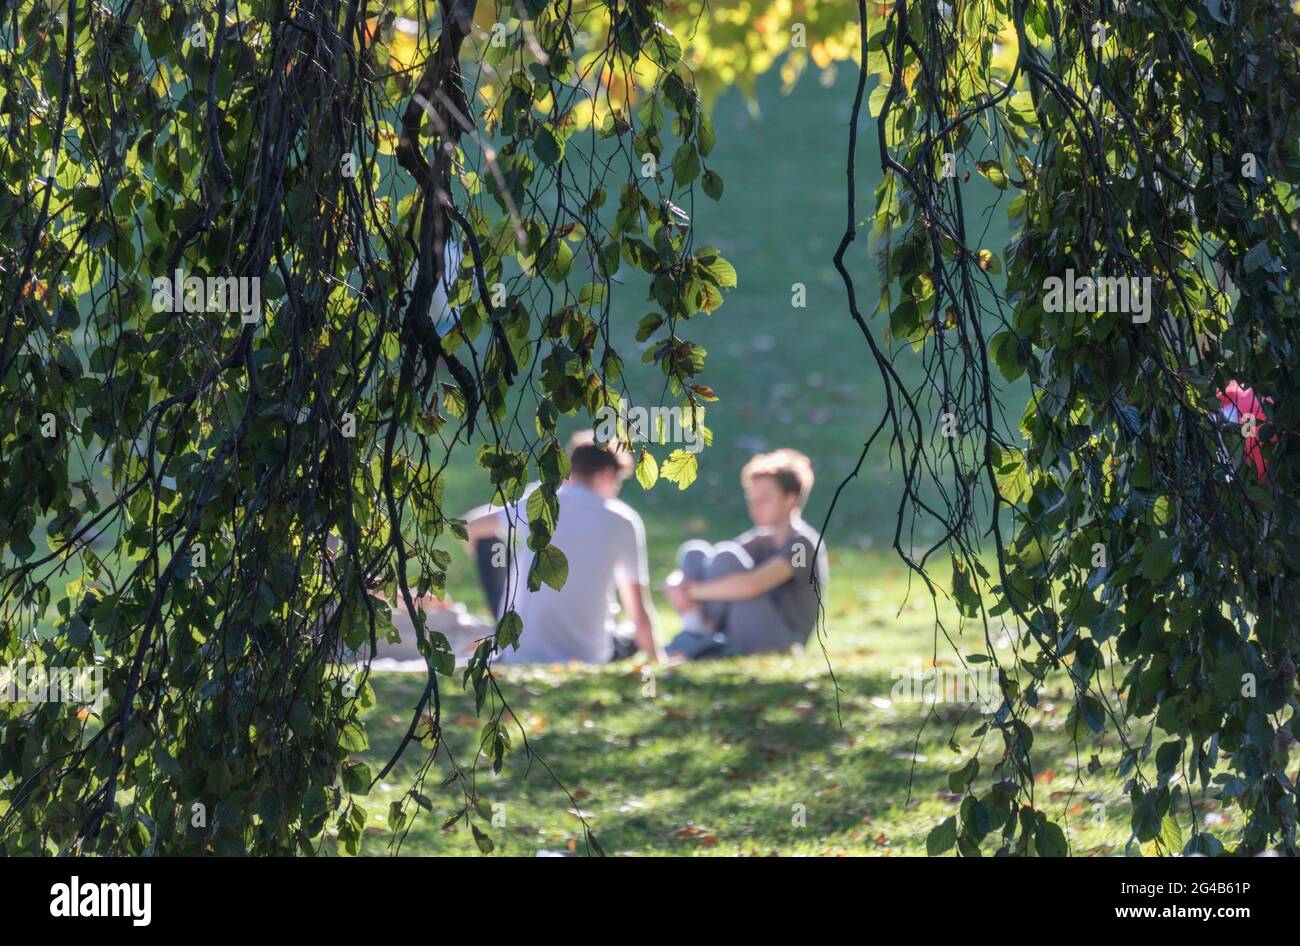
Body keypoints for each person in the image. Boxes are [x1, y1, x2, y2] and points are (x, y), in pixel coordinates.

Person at [461, 431, 663, 665]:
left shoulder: (540, 501)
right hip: (590, 655)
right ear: (608, 474)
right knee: (628, 633)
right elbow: (638, 610)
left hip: (521, 653)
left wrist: (506, 585)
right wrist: (658, 659)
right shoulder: (623, 521)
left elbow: (470, 528)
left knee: (487, 542)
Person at [663, 448, 828, 659]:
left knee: (726, 557)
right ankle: (696, 630)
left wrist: (690, 592)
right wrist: (676, 582)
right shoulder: (760, 539)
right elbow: (712, 568)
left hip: (782, 639)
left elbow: (752, 585)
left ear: (791, 499)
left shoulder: (802, 547)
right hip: (741, 626)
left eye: (765, 498)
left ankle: (698, 634)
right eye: (752, 498)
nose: (755, 506)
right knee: (695, 552)